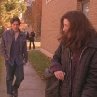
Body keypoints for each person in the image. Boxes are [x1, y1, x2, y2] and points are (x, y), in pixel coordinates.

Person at [49, 11, 97, 97]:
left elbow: (93, 81)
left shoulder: (93, 47)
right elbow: (56, 57)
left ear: (77, 27)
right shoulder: (65, 42)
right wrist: (56, 68)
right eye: (63, 25)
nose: (63, 29)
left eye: (66, 25)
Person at [0, 17, 28, 97]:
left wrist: (25, 59)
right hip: (9, 60)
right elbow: (2, 47)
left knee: (20, 77)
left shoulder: (22, 35)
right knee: (9, 77)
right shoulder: (6, 34)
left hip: (19, 60)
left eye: (17, 24)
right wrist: (6, 57)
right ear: (11, 25)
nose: (15, 26)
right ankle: (10, 93)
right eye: (14, 24)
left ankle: (15, 88)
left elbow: (24, 48)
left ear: (19, 25)